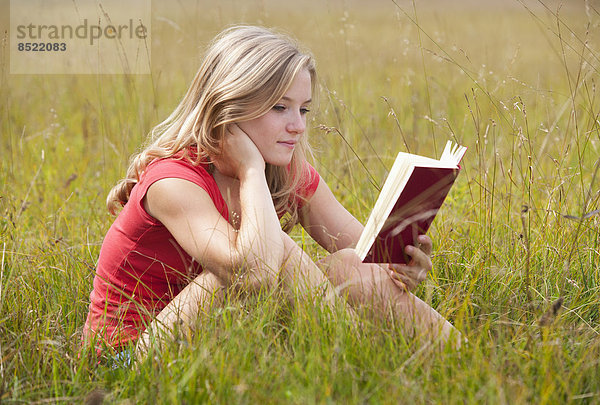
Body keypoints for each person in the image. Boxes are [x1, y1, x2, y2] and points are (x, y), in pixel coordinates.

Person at [83, 25, 460, 358]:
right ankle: (357, 358)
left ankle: (456, 356)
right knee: (266, 252)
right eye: (279, 107)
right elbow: (255, 273)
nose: (297, 126)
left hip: (216, 341)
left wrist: (404, 264)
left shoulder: (285, 171)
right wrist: (250, 169)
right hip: (133, 357)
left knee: (352, 265)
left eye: (304, 110)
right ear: (228, 109)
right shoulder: (172, 182)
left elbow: (367, 258)